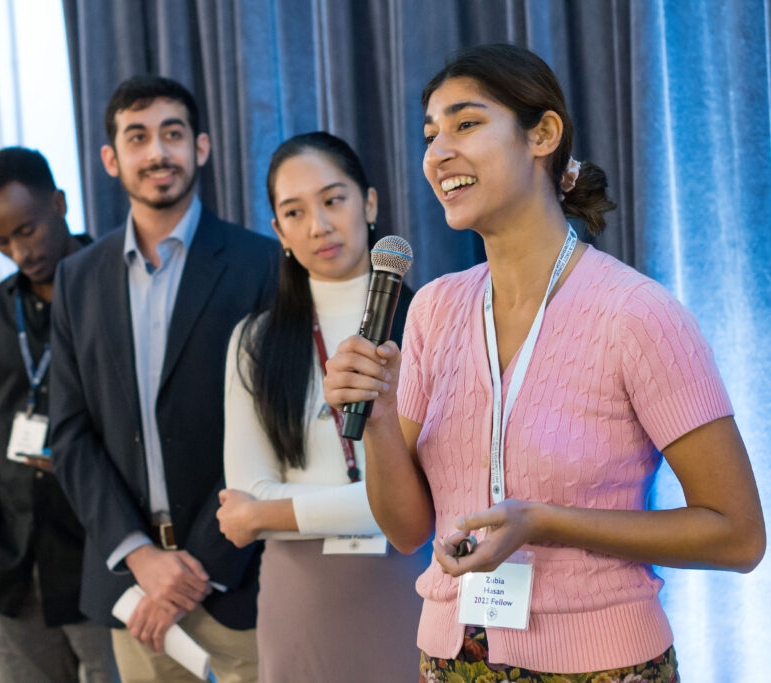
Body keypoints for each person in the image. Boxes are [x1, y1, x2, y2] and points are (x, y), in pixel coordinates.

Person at [323, 43, 765, 682]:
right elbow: (407, 530)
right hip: (452, 661)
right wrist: (382, 416)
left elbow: (738, 535)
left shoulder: (636, 313)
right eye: (431, 134)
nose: (438, 152)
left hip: (601, 666)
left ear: (543, 134)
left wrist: (545, 522)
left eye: (466, 124)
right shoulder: (434, 310)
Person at [49, 75, 279, 683]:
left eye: (172, 134)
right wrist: (142, 556)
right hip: (132, 589)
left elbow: (271, 428)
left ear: (200, 147)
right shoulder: (77, 278)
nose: (157, 153)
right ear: (110, 158)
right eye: (138, 137)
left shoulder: (260, 264)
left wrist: (193, 567)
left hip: (237, 582)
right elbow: (70, 435)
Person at [215, 131, 432, 681]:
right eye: (295, 211)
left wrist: (269, 515)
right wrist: (370, 502)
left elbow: (437, 499)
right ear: (279, 233)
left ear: (370, 203)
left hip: (417, 582)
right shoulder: (255, 339)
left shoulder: (435, 322)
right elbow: (247, 492)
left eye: (334, 199)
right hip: (301, 600)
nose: (319, 224)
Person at [0, 147, 116, 682]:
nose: (19, 252)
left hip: (102, 556)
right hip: (15, 562)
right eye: (0, 242)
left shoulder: (115, 288)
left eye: (26, 230)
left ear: (60, 203)